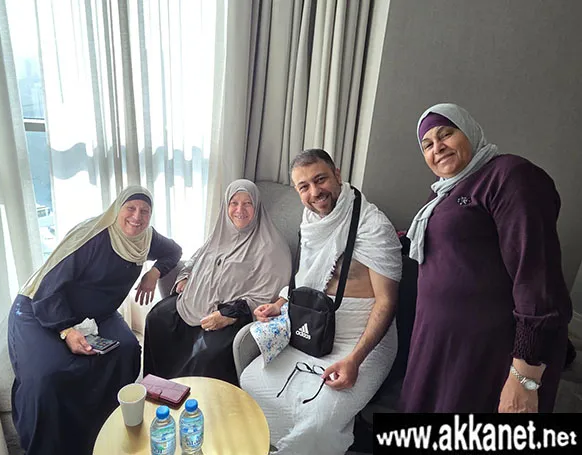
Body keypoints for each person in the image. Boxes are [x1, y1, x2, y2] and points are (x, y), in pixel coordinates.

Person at [401, 103, 573, 413]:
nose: (437, 147)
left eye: (446, 134)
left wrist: (525, 376)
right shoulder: (442, 192)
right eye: (427, 144)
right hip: (439, 343)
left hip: (488, 349)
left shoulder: (509, 176)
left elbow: (537, 277)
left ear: (469, 132)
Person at [240, 150, 402, 455]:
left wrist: (355, 360)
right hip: (313, 329)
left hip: (360, 341)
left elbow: (387, 302)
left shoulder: (373, 227)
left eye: (320, 179)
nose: (314, 192)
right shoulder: (311, 220)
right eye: (304, 186)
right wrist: (280, 303)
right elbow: (308, 275)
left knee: (318, 419)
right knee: (250, 380)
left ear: (337, 175)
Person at [8, 186, 182, 455]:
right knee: (46, 377)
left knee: (127, 350)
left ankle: (105, 427)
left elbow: (173, 251)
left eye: (145, 211)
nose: (137, 217)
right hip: (41, 308)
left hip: (95, 314)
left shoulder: (146, 238)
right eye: (130, 208)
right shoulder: (91, 237)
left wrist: (154, 273)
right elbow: (47, 288)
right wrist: (66, 331)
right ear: (117, 209)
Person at [143, 179, 292, 385]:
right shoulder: (221, 233)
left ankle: (195, 396)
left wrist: (229, 314)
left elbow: (269, 296)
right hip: (195, 301)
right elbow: (197, 258)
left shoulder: (272, 247)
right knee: (157, 318)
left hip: (233, 314)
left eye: (247, 203)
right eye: (234, 203)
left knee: (207, 355)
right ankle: (158, 387)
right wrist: (185, 276)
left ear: (257, 206)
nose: (240, 210)